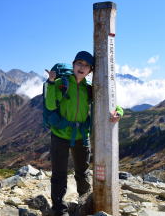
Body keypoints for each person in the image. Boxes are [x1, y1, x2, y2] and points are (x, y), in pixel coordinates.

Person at [44, 51, 122, 216]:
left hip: (80, 135)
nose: (82, 67)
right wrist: (50, 83)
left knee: (82, 172)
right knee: (59, 174)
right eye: (79, 63)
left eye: (86, 65)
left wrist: (119, 112)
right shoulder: (61, 84)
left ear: (90, 71)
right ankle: (59, 210)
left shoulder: (89, 89)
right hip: (60, 134)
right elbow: (50, 105)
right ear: (73, 65)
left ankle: (84, 203)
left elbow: (111, 101)